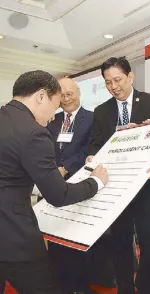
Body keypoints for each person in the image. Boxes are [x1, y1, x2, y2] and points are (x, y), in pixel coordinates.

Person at [0, 70, 108, 294]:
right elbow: (59, 195)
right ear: (41, 96)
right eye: (55, 105)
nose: (52, 116)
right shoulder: (33, 133)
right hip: (13, 238)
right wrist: (96, 182)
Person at [88, 56, 150, 294]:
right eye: (108, 82)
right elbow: (94, 146)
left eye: (118, 80)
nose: (114, 86)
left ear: (130, 77)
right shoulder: (102, 111)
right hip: (117, 190)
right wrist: (92, 158)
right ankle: (124, 289)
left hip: (149, 189)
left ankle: (146, 288)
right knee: (121, 245)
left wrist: (149, 133)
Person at [47, 77, 97, 294]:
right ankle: (60, 285)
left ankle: (79, 286)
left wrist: (65, 167)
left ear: (79, 92)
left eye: (70, 94)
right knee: (55, 239)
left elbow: (89, 149)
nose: (66, 99)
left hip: (78, 187)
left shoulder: (93, 118)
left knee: (76, 240)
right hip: (52, 187)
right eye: (62, 95)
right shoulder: (51, 120)